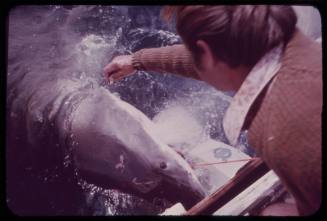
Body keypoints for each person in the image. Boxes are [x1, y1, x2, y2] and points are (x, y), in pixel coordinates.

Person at [103, 5, 322, 216]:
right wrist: (137, 60)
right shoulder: (299, 47)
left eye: (195, 52)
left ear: (206, 53)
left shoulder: (283, 133)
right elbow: (211, 61)